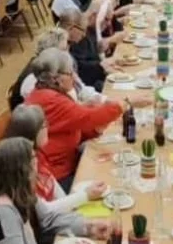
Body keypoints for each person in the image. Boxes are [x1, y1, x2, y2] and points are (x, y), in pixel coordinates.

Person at [24, 48, 122, 192]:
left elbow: (72, 124)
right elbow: (89, 117)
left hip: (67, 162)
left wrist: (94, 130)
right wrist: (125, 104)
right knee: (111, 178)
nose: (74, 78)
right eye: (70, 73)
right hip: (57, 176)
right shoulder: (52, 100)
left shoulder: (48, 93)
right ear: (56, 78)